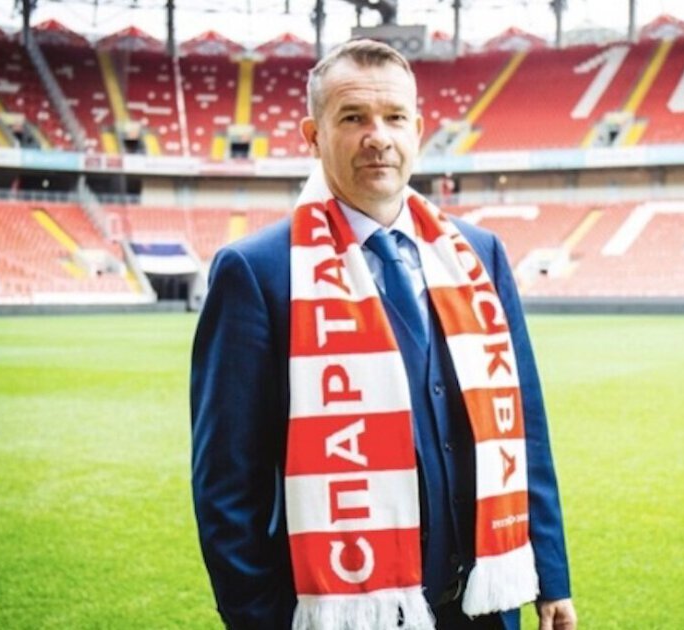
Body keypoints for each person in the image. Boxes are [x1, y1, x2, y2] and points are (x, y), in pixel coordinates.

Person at [191, 39, 576, 630]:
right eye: (353, 118)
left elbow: (525, 429)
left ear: (417, 130)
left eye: (395, 117)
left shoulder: (480, 254)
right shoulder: (258, 271)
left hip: (486, 605)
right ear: (313, 136)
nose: (378, 137)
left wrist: (549, 576)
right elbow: (227, 483)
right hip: (345, 611)